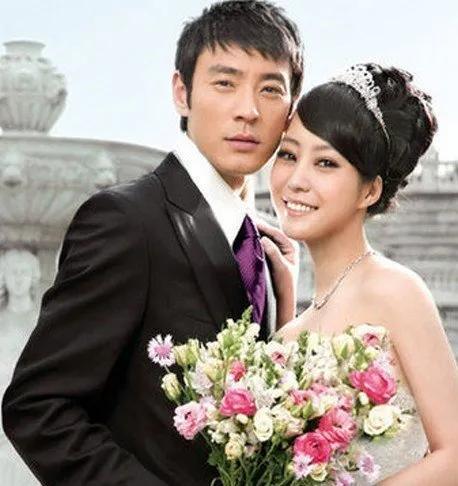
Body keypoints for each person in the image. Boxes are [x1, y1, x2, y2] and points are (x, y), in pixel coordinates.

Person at [1, 2, 303, 485]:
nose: (248, 110)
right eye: (225, 83)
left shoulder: (264, 248)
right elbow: (38, 408)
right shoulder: (125, 220)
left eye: (270, 89)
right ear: (182, 92)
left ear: (291, 108)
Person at [266, 63, 458, 484]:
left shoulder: (393, 291)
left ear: (369, 190)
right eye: (289, 154)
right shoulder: (287, 335)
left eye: (326, 163)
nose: (296, 180)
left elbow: (454, 456)